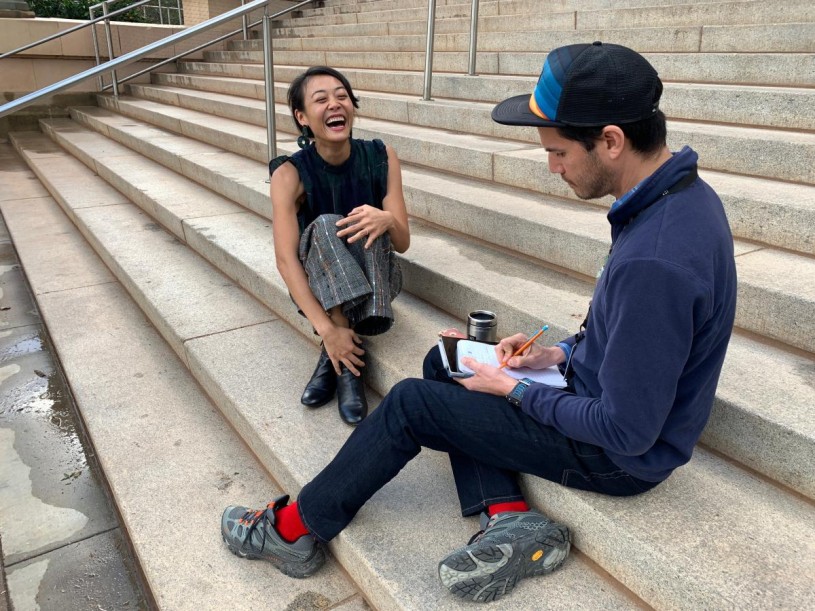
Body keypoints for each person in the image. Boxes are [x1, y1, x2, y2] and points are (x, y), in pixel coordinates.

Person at [221, 42, 737, 603]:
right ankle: (509, 514)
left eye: (559, 152)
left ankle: (292, 530)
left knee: (413, 403)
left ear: (610, 140)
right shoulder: (674, 197)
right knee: (448, 361)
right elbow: (625, 333)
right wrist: (556, 355)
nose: (553, 166)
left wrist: (513, 389)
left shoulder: (655, 259)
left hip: (616, 458)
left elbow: (628, 432)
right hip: (590, 387)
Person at [269, 66, 410, 426]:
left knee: (369, 218)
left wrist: (387, 219)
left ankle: (337, 357)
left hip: (377, 282)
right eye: (321, 99)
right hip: (319, 286)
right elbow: (286, 260)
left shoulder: (382, 155)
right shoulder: (288, 174)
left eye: (342, 96)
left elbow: (403, 243)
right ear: (302, 117)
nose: (335, 104)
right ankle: (348, 364)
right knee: (327, 224)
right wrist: (327, 329)